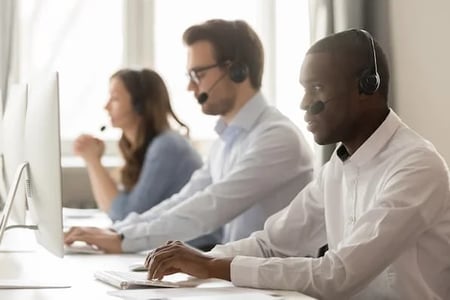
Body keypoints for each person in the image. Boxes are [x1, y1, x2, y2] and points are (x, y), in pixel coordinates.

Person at [143, 29, 450, 299]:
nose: (304, 103)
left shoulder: (416, 167)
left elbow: (337, 276)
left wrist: (213, 266)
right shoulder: (337, 168)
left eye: (316, 88)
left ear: (366, 87)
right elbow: (272, 243)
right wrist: (192, 260)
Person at [64, 19, 314, 253]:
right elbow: (185, 199)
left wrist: (123, 240)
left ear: (238, 71)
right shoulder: (226, 141)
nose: (191, 87)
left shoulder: (277, 137)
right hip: (237, 276)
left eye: (199, 74)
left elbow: (211, 208)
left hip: (274, 288)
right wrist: (117, 232)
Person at [73, 68, 203, 222]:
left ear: (140, 105)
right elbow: (111, 208)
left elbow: (125, 215)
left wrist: (93, 161)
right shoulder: (148, 146)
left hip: (197, 245)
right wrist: (92, 160)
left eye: (114, 98)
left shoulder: (166, 147)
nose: (106, 106)